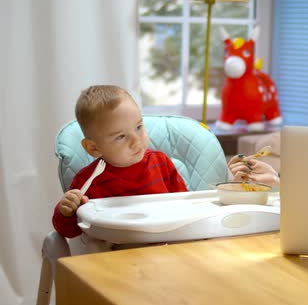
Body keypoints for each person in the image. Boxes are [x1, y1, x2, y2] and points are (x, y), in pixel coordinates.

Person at [53, 85, 279, 239]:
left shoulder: (161, 163)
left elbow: (183, 208)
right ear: (93, 148)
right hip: (115, 254)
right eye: (120, 136)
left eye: (139, 127)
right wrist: (66, 212)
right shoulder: (87, 181)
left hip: (166, 243)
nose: (136, 140)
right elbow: (71, 233)